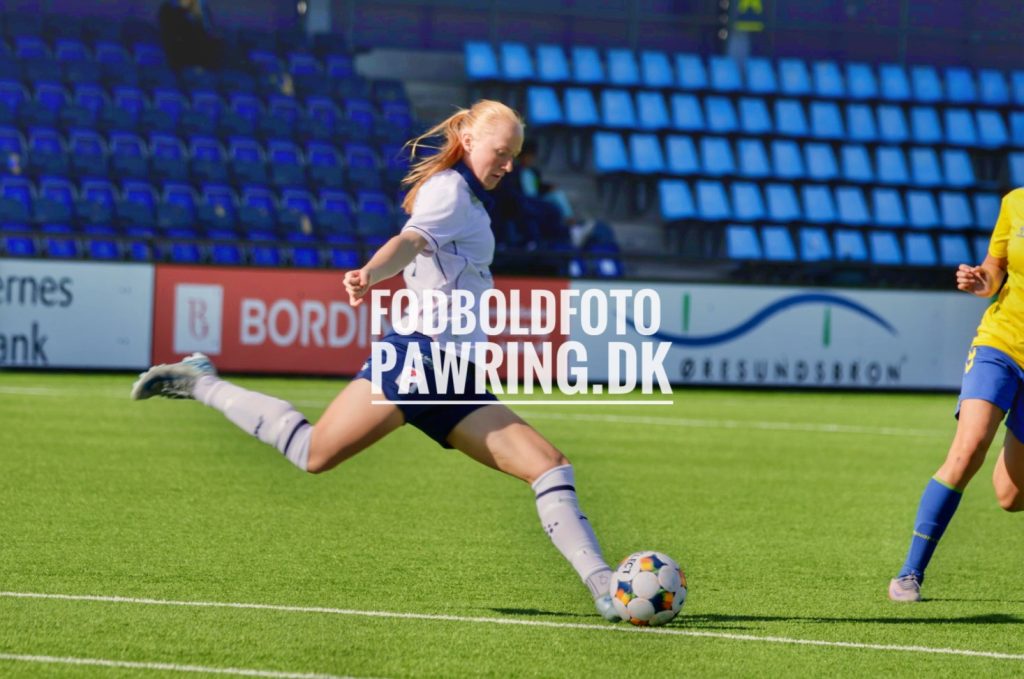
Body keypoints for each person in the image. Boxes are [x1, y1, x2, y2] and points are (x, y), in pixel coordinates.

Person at [131, 100, 621, 622]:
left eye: (514, 156)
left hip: (452, 373)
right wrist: (370, 273)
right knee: (312, 452)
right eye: (501, 152)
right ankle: (200, 382)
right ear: (469, 140)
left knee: (549, 467)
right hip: (418, 360)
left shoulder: (471, 202)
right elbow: (408, 242)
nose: (508, 165)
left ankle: (605, 587)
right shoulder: (449, 191)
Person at [888, 188, 1024, 602]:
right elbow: (995, 269)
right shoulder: (1015, 202)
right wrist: (983, 281)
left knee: (1011, 496)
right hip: (1000, 344)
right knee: (968, 449)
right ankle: (909, 574)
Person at [158, 0, 223, 72]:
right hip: (184, 56)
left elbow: (209, 30)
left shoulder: (199, 6)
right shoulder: (169, 9)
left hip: (198, 55)